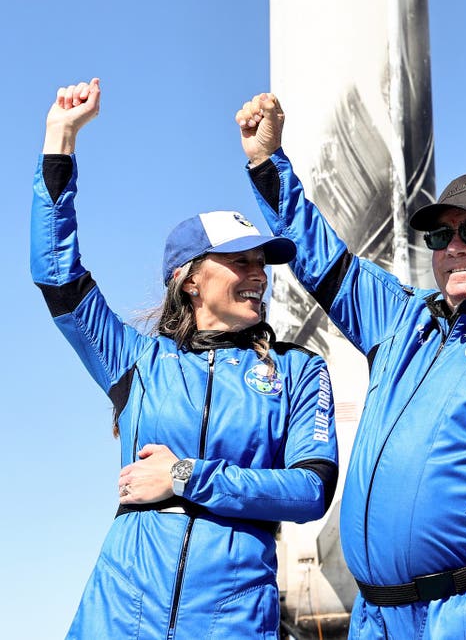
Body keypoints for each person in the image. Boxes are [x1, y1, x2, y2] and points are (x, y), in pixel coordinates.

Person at [234, 93, 466, 640]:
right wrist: (267, 161)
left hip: (463, 619)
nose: (455, 247)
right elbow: (318, 254)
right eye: (441, 236)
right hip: (373, 620)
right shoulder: (402, 319)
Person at [31, 78, 340, 639]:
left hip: (233, 620)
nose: (258, 274)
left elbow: (309, 490)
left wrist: (183, 476)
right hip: (118, 615)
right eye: (238, 261)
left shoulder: (299, 368)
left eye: (261, 262)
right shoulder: (136, 361)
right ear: (189, 279)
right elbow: (58, 276)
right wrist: (60, 141)